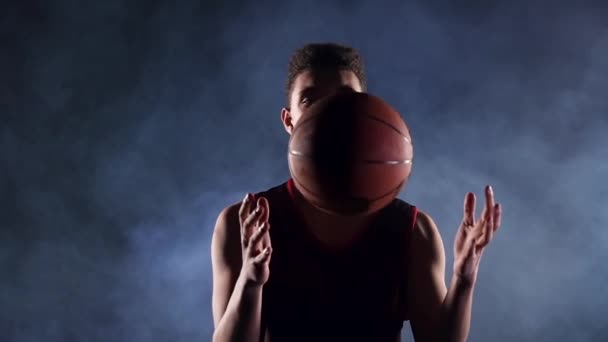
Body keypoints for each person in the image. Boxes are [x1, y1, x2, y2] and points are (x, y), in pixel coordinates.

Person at [210, 43, 502, 342]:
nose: (328, 112)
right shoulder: (243, 224)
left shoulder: (413, 229)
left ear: (366, 109)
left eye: (343, 100)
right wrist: (251, 281)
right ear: (289, 121)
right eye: (311, 101)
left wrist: (464, 280)